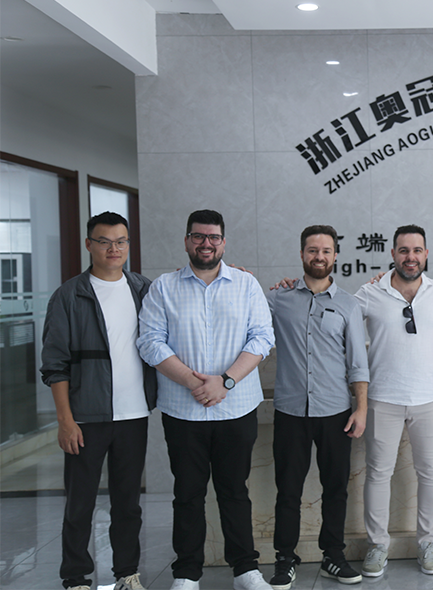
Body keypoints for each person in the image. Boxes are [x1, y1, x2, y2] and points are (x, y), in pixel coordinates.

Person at [137, 209, 275, 590]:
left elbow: (262, 337)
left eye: (213, 237)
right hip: (183, 411)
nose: (206, 243)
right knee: (187, 494)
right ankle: (186, 573)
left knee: (235, 492)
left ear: (223, 243)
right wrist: (192, 382)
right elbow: (149, 341)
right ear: (186, 241)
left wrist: (225, 382)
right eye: (198, 236)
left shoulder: (246, 285)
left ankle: (245, 570)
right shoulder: (163, 288)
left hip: (236, 408)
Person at [41, 212, 156, 590]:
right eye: (104, 241)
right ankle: (75, 577)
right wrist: (65, 421)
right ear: (89, 244)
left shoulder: (143, 289)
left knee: (128, 503)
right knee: (80, 503)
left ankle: (127, 573)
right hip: (85, 418)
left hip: (133, 415)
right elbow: (54, 365)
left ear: (128, 245)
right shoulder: (69, 295)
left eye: (121, 241)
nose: (113, 249)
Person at [266, 225, 369, 588]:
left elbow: (358, 362)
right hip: (290, 411)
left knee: (336, 488)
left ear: (335, 256)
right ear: (302, 254)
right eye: (312, 250)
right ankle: (285, 558)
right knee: (288, 490)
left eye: (326, 251)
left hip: (335, 411)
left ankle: (333, 556)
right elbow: (242, 308)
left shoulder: (348, 305)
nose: (319, 256)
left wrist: (361, 408)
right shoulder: (278, 299)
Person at [354, 225, 433, 578]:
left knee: (431, 473)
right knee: (378, 473)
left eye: (417, 250)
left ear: (426, 254)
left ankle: (427, 543)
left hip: (429, 397)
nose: (411, 257)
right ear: (393, 254)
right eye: (404, 250)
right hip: (383, 397)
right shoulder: (369, 292)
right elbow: (341, 326)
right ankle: (377, 544)